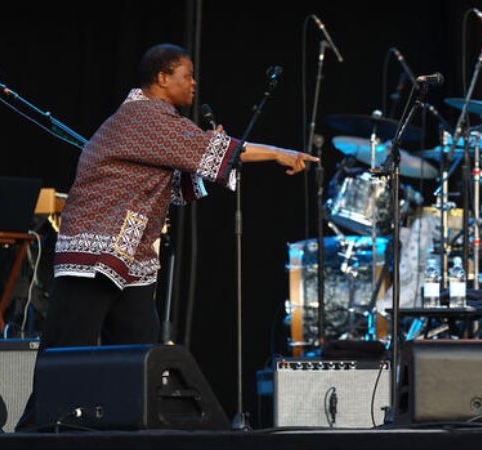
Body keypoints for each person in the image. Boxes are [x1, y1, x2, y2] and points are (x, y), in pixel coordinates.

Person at [17, 43, 317, 429]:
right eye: (186, 75)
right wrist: (277, 152)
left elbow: (175, 188)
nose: (194, 83)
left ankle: (130, 428)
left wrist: (205, 152)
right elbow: (214, 151)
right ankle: (34, 430)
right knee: (67, 349)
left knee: (138, 350)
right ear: (162, 78)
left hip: (129, 256)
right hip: (96, 248)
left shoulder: (156, 121)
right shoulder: (145, 115)